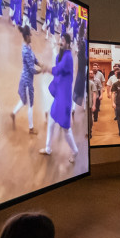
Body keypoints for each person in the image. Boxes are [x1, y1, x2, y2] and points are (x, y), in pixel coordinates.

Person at [40, 33, 79, 163]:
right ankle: (48, 148)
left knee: (66, 129)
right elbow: (57, 64)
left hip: (64, 98)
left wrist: (46, 68)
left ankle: (75, 151)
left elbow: (58, 69)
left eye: (63, 40)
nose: (60, 42)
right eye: (60, 39)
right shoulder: (62, 55)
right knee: (51, 121)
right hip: (60, 96)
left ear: (68, 43)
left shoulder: (68, 57)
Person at [11, 25, 41, 134]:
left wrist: (39, 63)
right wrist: (42, 70)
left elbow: (34, 58)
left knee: (24, 101)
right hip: (27, 81)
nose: (31, 37)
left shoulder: (28, 47)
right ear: (27, 36)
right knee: (30, 104)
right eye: (30, 35)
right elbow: (32, 69)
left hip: (25, 79)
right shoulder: (26, 50)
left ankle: (13, 113)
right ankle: (31, 128)